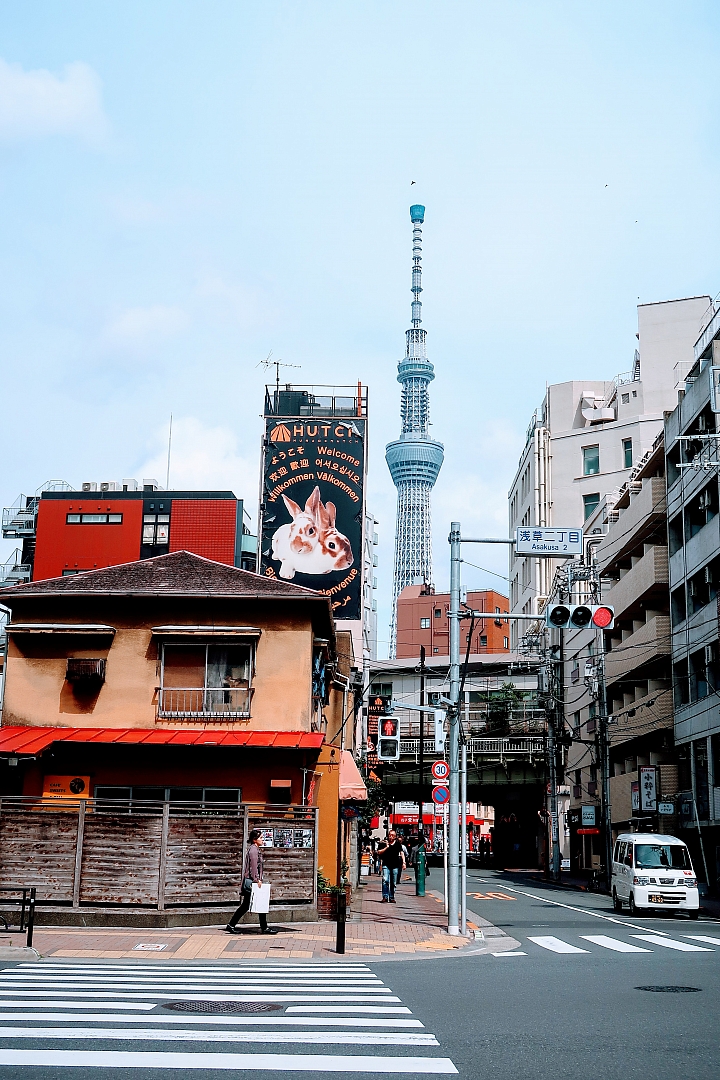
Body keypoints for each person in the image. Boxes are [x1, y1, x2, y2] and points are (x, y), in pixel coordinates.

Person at [225, 829, 278, 935]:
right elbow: (253, 867)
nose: (262, 840)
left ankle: (231, 925)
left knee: (248, 905)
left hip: (253, 881)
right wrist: (257, 879)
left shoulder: (255, 849)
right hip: (253, 882)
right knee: (255, 903)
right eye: (261, 838)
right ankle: (264, 927)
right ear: (255, 840)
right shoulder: (253, 850)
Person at [377, 830, 405, 903]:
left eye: (393, 835)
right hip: (386, 864)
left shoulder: (398, 844)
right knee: (385, 880)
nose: (391, 836)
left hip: (395, 865)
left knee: (393, 882)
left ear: (395, 837)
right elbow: (379, 852)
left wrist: (404, 862)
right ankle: (385, 897)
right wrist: (386, 847)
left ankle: (391, 897)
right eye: (390, 835)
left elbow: (401, 853)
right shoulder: (383, 843)